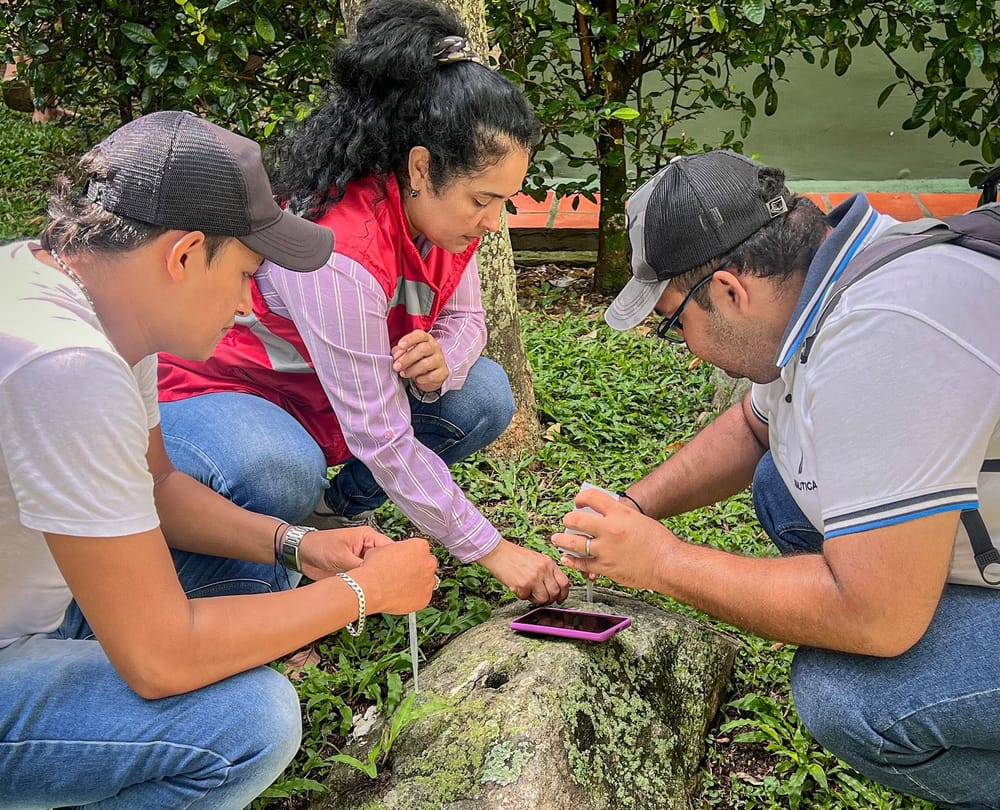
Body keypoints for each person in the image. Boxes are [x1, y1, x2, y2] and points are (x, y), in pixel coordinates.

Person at [0, 109, 439, 808]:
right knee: (248, 721)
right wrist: (364, 594)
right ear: (182, 255)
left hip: (35, 608)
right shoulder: (64, 361)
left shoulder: (90, 299)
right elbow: (159, 659)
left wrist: (302, 547)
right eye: (245, 274)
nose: (246, 304)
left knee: (256, 575)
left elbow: (160, 486)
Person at [555, 150, 1000, 808]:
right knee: (777, 484)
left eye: (678, 324)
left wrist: (663, 562)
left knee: (844, 693)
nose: (687, 347)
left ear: (732, 290)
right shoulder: (838, 270)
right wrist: (637, 507)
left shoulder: (884, 335)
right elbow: (754, 427)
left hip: (892, 602)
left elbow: (879, 619)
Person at [157, 0, 570, 606]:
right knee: (281, 467)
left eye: (504, 202)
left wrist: (446, 356)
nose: (492, 222)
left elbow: (467, 318)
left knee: (480, 393)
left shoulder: (449, 223)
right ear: (421, 167)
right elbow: (380, 435)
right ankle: (253, 583)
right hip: (226, 398)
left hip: (327, 401)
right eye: (483, 199)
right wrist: (492, 549)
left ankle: (329, 516)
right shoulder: (340, 251)